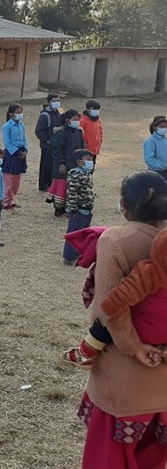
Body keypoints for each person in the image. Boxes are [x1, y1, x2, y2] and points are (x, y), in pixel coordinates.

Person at [80, 171, 167, 468]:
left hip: (124, 383)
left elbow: (109, 311)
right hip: (163, 382)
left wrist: (134, 347)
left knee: (109, 460)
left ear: (124, 204)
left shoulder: (115, 240)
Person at [65, 228, 167, 367]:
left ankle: (86, 352)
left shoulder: (151, 272)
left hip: (140, 328)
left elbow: (121, 297)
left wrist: (107, 310)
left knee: (105, 324)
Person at [48, 109, 86, 217]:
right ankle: (59, 209)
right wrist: (60, 163)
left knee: (72, 187)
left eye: (78, 119)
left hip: (75, 164)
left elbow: (82, 147)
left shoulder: (79, 132)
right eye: (75, 119)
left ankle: (70, 208)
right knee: (62, 187)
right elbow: (56, 150)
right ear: (67, 120)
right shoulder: (61, 133)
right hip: (64, 164)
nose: (77, 121)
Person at [63, 150, 95, 265]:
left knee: (83, 233)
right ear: (79, 162)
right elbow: (72, 192)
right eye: (88, 159)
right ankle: (69, 257)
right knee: (74, 233)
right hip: (78, 209)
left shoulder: (87, 173)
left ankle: (78, 254)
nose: (91, 162)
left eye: (91, 159)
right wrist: (73, 209)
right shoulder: (75, 174)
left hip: (87, 208)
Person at [35, 93, 64, 192]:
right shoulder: (45, 116)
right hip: (47, 146)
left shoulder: (59, 114)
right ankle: (43, 185)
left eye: (58, 100)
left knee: (53, 165)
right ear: (49, 102)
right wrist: (47, 140)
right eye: (54, 101)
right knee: (46, 166)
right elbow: (39, 131)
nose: (56, 103)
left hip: (56, 144)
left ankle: (51, 184)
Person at [1, 104, 28, 210]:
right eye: (18, 112)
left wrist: (25, 150)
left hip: (21, 152)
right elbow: (7, 143)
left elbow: (24, 139)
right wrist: (17, 152)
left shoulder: (21, 125)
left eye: (21, 112)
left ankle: (11, 199)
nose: (20, 114)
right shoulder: (7, 126)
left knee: (17, 179)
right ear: (11, 114)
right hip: (11, 154)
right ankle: (5, 200)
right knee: (8, 179)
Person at [143, 115, 167, 179]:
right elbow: (149, 160)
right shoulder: (150, 141)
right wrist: (165, 165)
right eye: (162, 127)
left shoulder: (165, 140)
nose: (164, 129)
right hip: (156, 173)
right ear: (154, 127)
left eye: (166, 127)